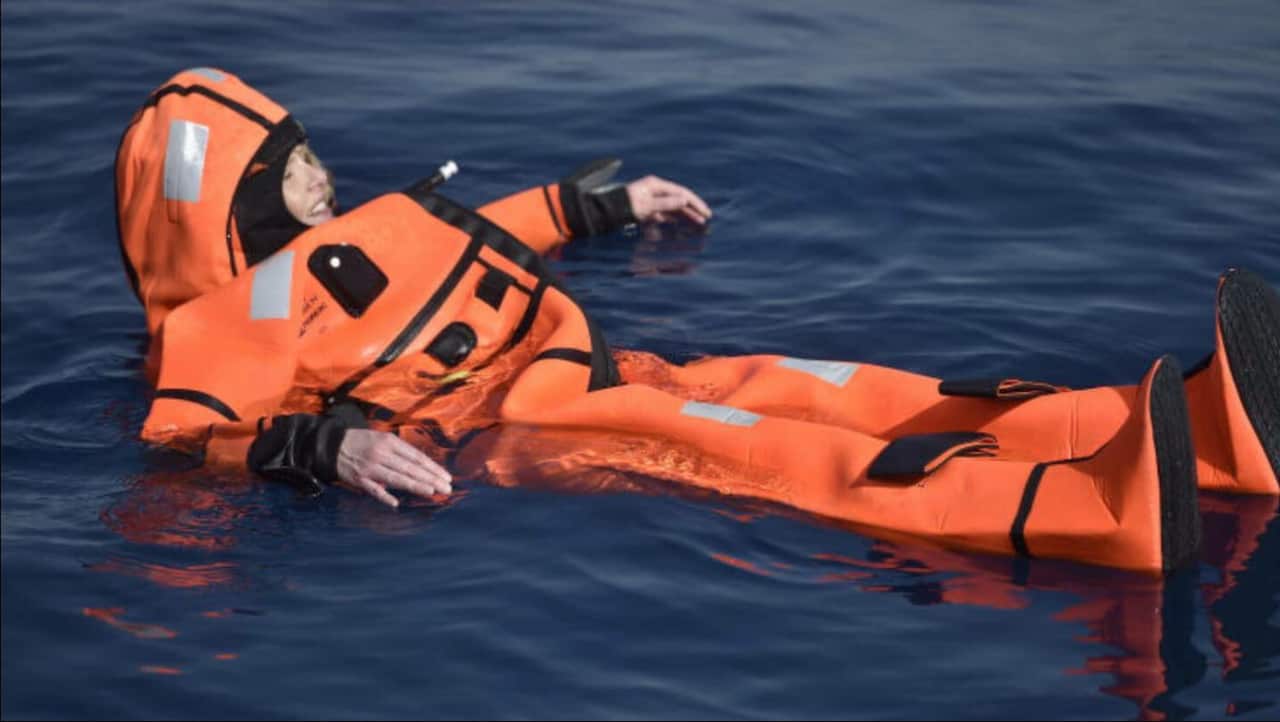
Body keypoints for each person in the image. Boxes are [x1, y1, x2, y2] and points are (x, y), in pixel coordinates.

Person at [117, 68, 1279, 574]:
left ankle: (1184, 422)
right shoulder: (222, 326)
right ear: (234, 199)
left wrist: (594, 203)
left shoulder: (349, 238)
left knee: (842, 386)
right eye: (292, 169)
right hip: (521, 432)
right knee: (782, 451)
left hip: (609, 365)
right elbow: (178, 444)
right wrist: (323, 443)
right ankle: (1088, 510)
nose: (320, 178)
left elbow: (477, 235)